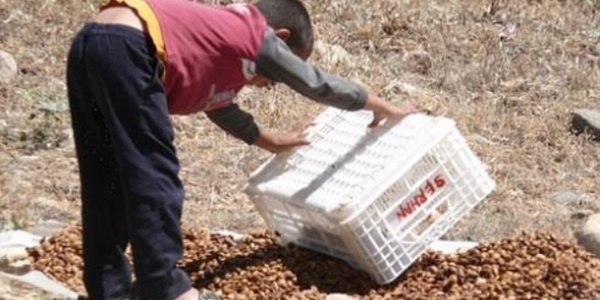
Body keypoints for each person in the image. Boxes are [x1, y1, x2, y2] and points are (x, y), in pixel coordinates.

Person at [66, 0, 419, 299]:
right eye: (277, 74)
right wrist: (380, 105)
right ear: (280, 39)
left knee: (105, 177)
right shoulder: (254, 33)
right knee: (153, 175)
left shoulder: (217, 35)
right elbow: (318, 85)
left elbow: (218, 104)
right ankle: (164, 287)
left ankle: (107, 288)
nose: (269, 86)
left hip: (93, 43)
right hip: (129, 47)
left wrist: (268, 140)